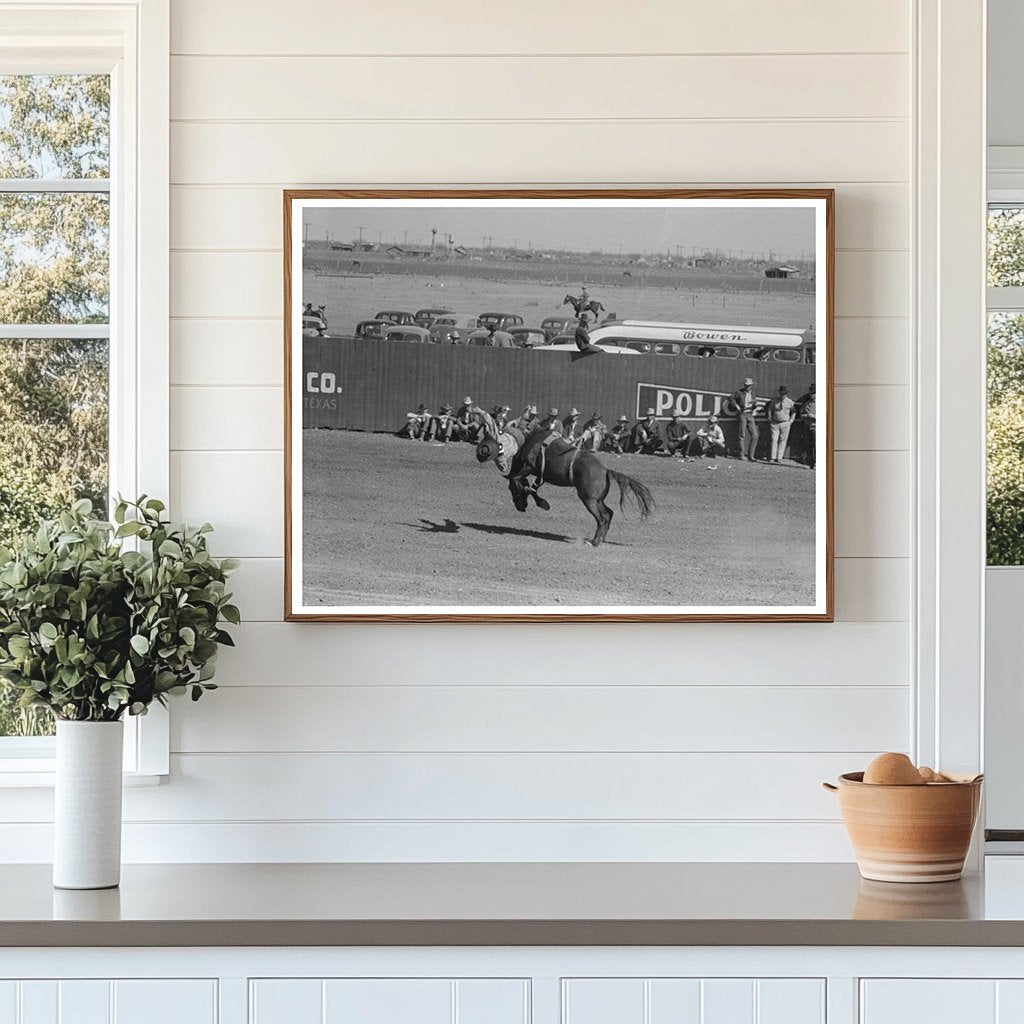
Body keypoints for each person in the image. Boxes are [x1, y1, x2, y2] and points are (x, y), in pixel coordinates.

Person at [731, 377, 760, 461]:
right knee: (742, 435)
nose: (748, 387)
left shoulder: (752, 393)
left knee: (755, 435)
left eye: (749, 385)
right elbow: (730, 398)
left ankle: (751, 455)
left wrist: (755, 405)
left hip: (750, 414)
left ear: (751, 385)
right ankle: (741, 455)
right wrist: (736, 406)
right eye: (746, 385)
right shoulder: (739, 392)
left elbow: (754, 404)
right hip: (743, 414)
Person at [767, 384, 796, 464]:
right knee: (774, 439)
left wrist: (790, 421)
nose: (782, 395)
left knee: (783, 440)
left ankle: (779, 457)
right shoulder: (774, 401)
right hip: (775, 423)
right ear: (779, 393)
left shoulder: (790, 402)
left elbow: (793, 412)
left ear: (786, 394)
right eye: (781, 393)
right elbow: (770, 409)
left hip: (785, 423)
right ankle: (773, 457)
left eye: (784, 393)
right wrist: (769, 417)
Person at [796, 381, 817, 468]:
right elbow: (801, 413)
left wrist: (813, 416)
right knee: (808, 444)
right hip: (807, 426)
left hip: (816, 426)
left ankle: (817, 462)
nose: (811, 394)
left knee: (816, 445)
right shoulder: (807, 403)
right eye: (811, 392)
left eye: (813, 393)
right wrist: (805, 416)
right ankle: (809, 462)